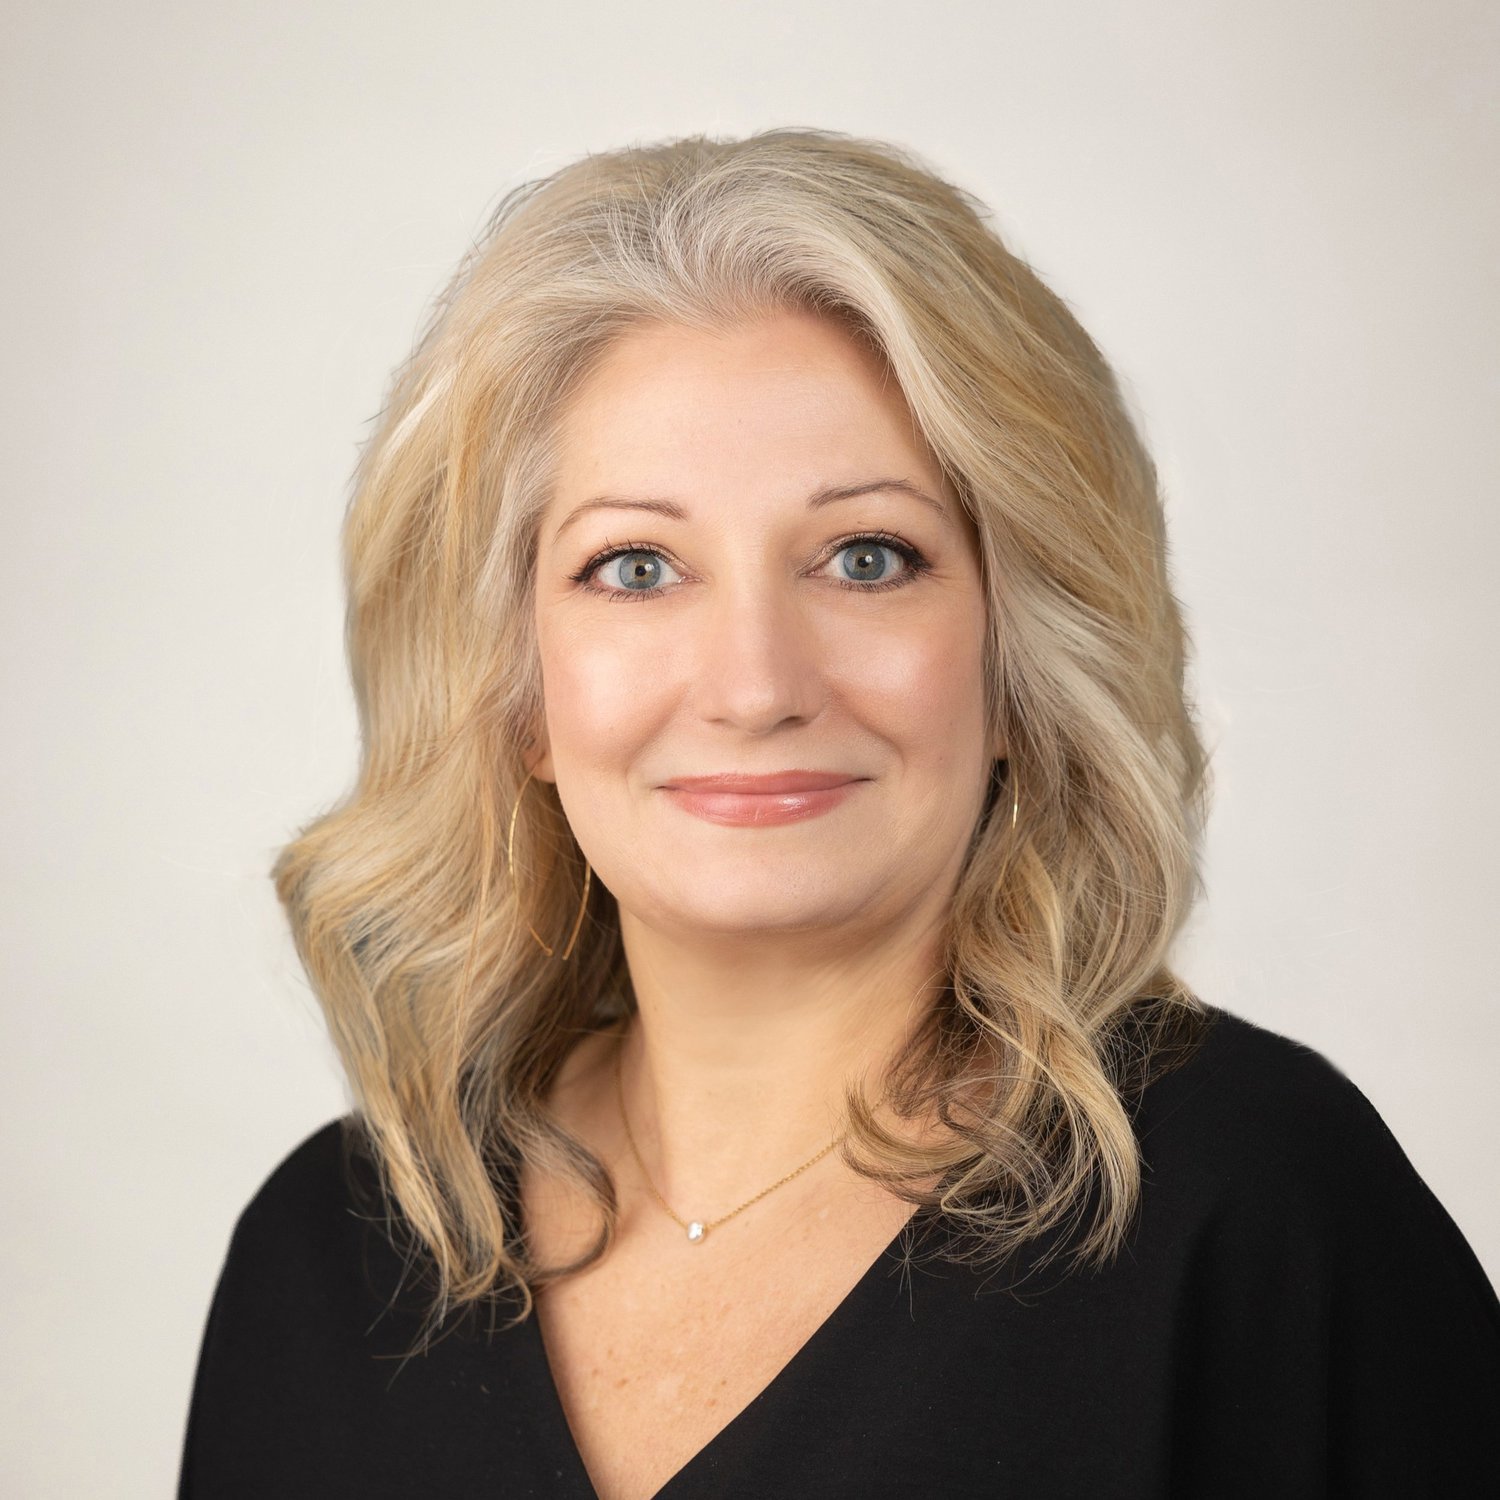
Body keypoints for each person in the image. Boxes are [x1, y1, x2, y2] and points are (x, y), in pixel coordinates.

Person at [177, 128, 1500, 1499]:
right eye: (636, 568)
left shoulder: (1260, 1208)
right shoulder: (327, 1265)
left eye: (867, 558)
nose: (756, 687)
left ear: (1017, 662)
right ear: (515, 693)